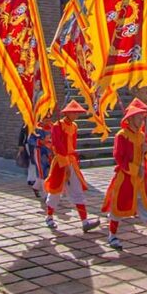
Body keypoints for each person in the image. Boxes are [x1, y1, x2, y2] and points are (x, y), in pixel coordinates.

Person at [102, 98, 147, 253]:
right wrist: (135, 169)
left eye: (143, 116)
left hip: (141, 181)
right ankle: (112, 236)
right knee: (117, 209)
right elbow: (119, 158)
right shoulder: (121, 135)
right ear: (130, 118)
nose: (142, 119)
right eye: (139, 116)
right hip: (126, 180)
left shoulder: (142, 136)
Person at [43, 100, 100, 233]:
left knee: (77, 189)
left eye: (77, 113)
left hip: (71, 161)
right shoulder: (57, 126)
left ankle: (85, 221)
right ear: (67, 113)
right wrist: (65, 163)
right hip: (60, 162)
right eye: (74, 112)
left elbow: (72, 145)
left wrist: (72, 159)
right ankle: (49, 217)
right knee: (55, 190)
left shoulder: (74, 126)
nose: (76, 115)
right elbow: (57, 145)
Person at [25, 116, 53, 202]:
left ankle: (36, 187)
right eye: (45, 118)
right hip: (39, 152)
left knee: (49, 173)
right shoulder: (36, 127)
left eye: (49, 118)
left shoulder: (53, 126)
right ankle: (45, 195)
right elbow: (30, 140)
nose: (47, 120)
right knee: (42, 172)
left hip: (50, 152)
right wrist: (40, 142)